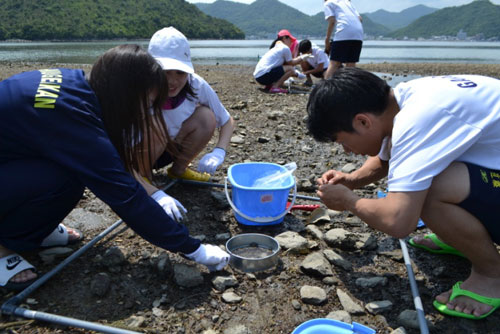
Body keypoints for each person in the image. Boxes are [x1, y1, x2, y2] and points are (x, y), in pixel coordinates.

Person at [0, 44, 229, 291]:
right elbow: (123, 194)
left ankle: (35, 231)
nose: (144, 112)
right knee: (65, 175)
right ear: (124, 95)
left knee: (71, 175)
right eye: (145, 103)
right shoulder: (72, 118)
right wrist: (192, 248)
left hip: (11, 161)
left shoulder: (79, 85)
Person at [306, 67, 500, 320]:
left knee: (428, 191)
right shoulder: (403, 99)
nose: (346, 151)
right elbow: (389, 157)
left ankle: (491, 275)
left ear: (363, 121)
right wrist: (352, 180)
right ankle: (462, 237)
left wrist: (349, 201)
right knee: (424, 182)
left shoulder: (416, 119)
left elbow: (398, 221)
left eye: (342, 141)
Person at [142, 27, 235, 196]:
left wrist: (219, 150)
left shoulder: (195, 84)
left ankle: (178, 169)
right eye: (165, 72)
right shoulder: (140, 87)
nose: (173, 81)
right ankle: (143, 178)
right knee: (156, 125)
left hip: (168, 148)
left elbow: (226, 120)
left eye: (180, 72)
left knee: (206, 117)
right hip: (138, 153)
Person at [323, 0, 363, 79]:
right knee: (351, 65)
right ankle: (349, 89)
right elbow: (360, 19)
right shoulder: (347, 2)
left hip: (344, 32)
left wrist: (327, 39)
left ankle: (325, 88)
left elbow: (332, 21)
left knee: (334, 63)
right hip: (358, 34)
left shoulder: (328, 3)